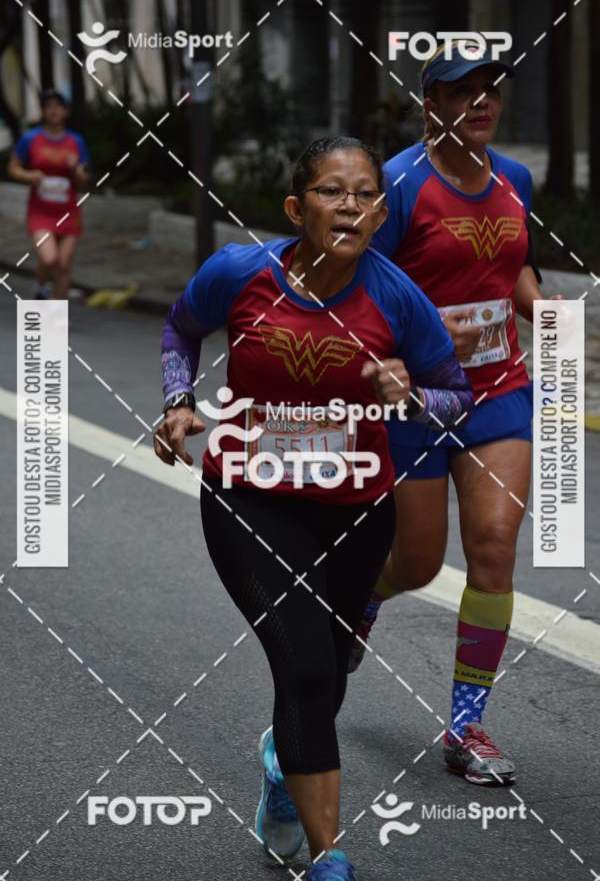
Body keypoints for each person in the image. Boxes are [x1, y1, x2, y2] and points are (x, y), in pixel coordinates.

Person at [154, 137, 473, 879]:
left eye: (365, 195)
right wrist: (177, 401)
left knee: (325, 676)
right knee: (302, 670)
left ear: (380, 213)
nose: (351, 206)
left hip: (357, 509)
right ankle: (331, 861)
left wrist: (416, 398)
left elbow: (456, 398)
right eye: (333, 192)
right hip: (249, 497)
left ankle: (281, 767)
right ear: (298, 208)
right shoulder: (240, 273)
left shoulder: (398, 298)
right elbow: (180, 327)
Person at [350, 43, 561, 787]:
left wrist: (547, 315)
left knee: (497, 545)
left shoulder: (516, 179)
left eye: (491, 89)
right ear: (430, 102)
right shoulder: (399, 186)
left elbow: (517, 271)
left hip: (498, 389)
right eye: (462, 90)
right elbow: (361, 293)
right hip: (416, 397)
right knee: (416, 561)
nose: (481, 102)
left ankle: (467, 725)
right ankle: (365, 600)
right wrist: (431, 332)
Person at [7, 89, 91, 300]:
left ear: (66, 111)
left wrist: (75, 170)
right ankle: (40, 286)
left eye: (58, 106)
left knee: (63, 265)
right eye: (48, 106)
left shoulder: (76, 141)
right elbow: (13, 168)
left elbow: (85, 179)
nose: (53, 111)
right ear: (43, 111)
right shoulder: (30, 138)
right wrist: (29, 176)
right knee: (49, 257)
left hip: (68, 211)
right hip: (40, 212)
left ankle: (56, 319)